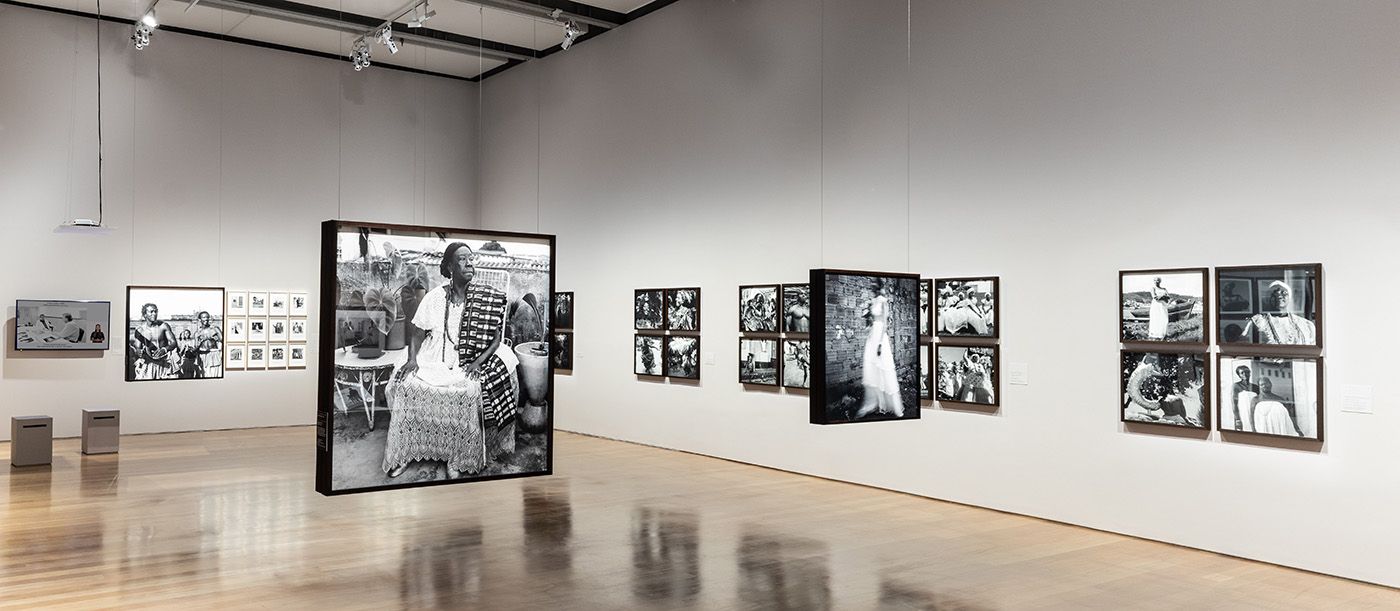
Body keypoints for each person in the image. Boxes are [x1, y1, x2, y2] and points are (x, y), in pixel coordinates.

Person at [384, 242, 518, 479]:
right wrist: (413, 360)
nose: (469, 263)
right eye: (462, 259)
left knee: (466, 392)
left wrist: (477, 364)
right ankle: (406, 451)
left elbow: (496, 339)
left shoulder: (485, 298)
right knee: (406, 386)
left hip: (468, 359)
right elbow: (417, 332)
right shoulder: (434, 298)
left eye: (471, 259)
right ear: (449, 267)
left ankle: (455, 457)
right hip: (433, 354)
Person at [854, 281, 902, 418]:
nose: (872, 287)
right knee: (872, 366)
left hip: (880, 335)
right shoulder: (873, 301)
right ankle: (873, 402)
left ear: (879, 287)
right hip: (872, 334)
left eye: (875, 285)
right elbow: (871, 319)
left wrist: (880, 343)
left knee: (883, 365)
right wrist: (867, 322)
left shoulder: (883, 301)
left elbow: (885, 324)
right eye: (872, 286)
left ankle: (889, 404)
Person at [1240, 281, 1315, 345]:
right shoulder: (1257, 322)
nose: (1279, 296)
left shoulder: (1305, 324)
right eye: (1274, 293)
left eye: (1284, 292)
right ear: (1268, 298)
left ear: (1290, 297)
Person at [129, 303, 178, 379]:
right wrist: (139, 352)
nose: (154, 314)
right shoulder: (140, 330)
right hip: (148, 363)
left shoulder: (163, 326)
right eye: (151, 311)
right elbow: (137, 348)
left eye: (156, 311)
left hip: (164, 363)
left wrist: (164, 349)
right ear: (145, 314)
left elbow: (173, 343)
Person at [192, 311, 223, 378]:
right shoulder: (197, 333)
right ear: (199, 319)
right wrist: (199, 345)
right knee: (204, 376)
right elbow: (195, 348)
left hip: (214, 355)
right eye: (204, 317)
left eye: (207, 317)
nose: (206, 319)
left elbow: (223, 340)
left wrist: (216, 338)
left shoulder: (215, 329)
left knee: (214, 375)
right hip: (202, 356)